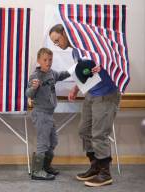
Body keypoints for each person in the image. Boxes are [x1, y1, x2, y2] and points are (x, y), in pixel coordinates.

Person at [49, 24, 121, 187]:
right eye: (54, 42)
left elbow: (109, 57)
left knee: (99, 134)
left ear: (65, 34)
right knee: (84, 130)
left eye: (57, 40)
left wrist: (102, 65)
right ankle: (95, 166)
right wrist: (75, 88)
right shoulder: (76, 51)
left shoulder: (91, 44)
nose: (57, 44)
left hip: (106, 94)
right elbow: (85, 72)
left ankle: (105, 173)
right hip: (91, 93)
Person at [26, 48, 70, 180]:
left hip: (49, 114)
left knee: (53, 141)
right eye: (45, 60)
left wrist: (74, 69)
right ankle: (37, 171)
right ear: (39, 61)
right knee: (43, 142)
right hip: (41, 114)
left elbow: (62, 75)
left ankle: (45, 166)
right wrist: (33, 87)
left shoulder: (52, 74)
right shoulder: (35, 76)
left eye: (50, 59)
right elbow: (28, 94)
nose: (48, 62)